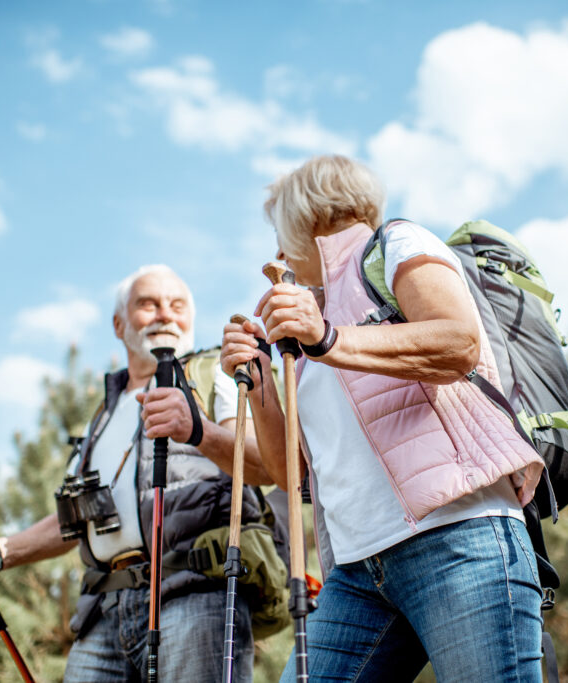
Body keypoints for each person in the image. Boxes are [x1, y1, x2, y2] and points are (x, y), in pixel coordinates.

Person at [221, 155, 547, 682]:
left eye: (280, 233)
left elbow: (457, 342)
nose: (277, 253)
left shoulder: (396, 244)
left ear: (308, 217)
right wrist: (259, 380)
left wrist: (329, 340)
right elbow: (291, 475)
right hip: (356, 571)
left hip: (458, 537)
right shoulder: (310, 328)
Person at [0, 264, 271, 683]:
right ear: (118, 323)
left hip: (194, 597)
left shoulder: (215, 377)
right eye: (148, 304)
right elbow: (79, 519)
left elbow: (265, 465)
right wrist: (1, 549)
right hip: (103, 611)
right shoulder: (104, 415)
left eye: (177, 304)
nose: (165, 314)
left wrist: (198, 430)